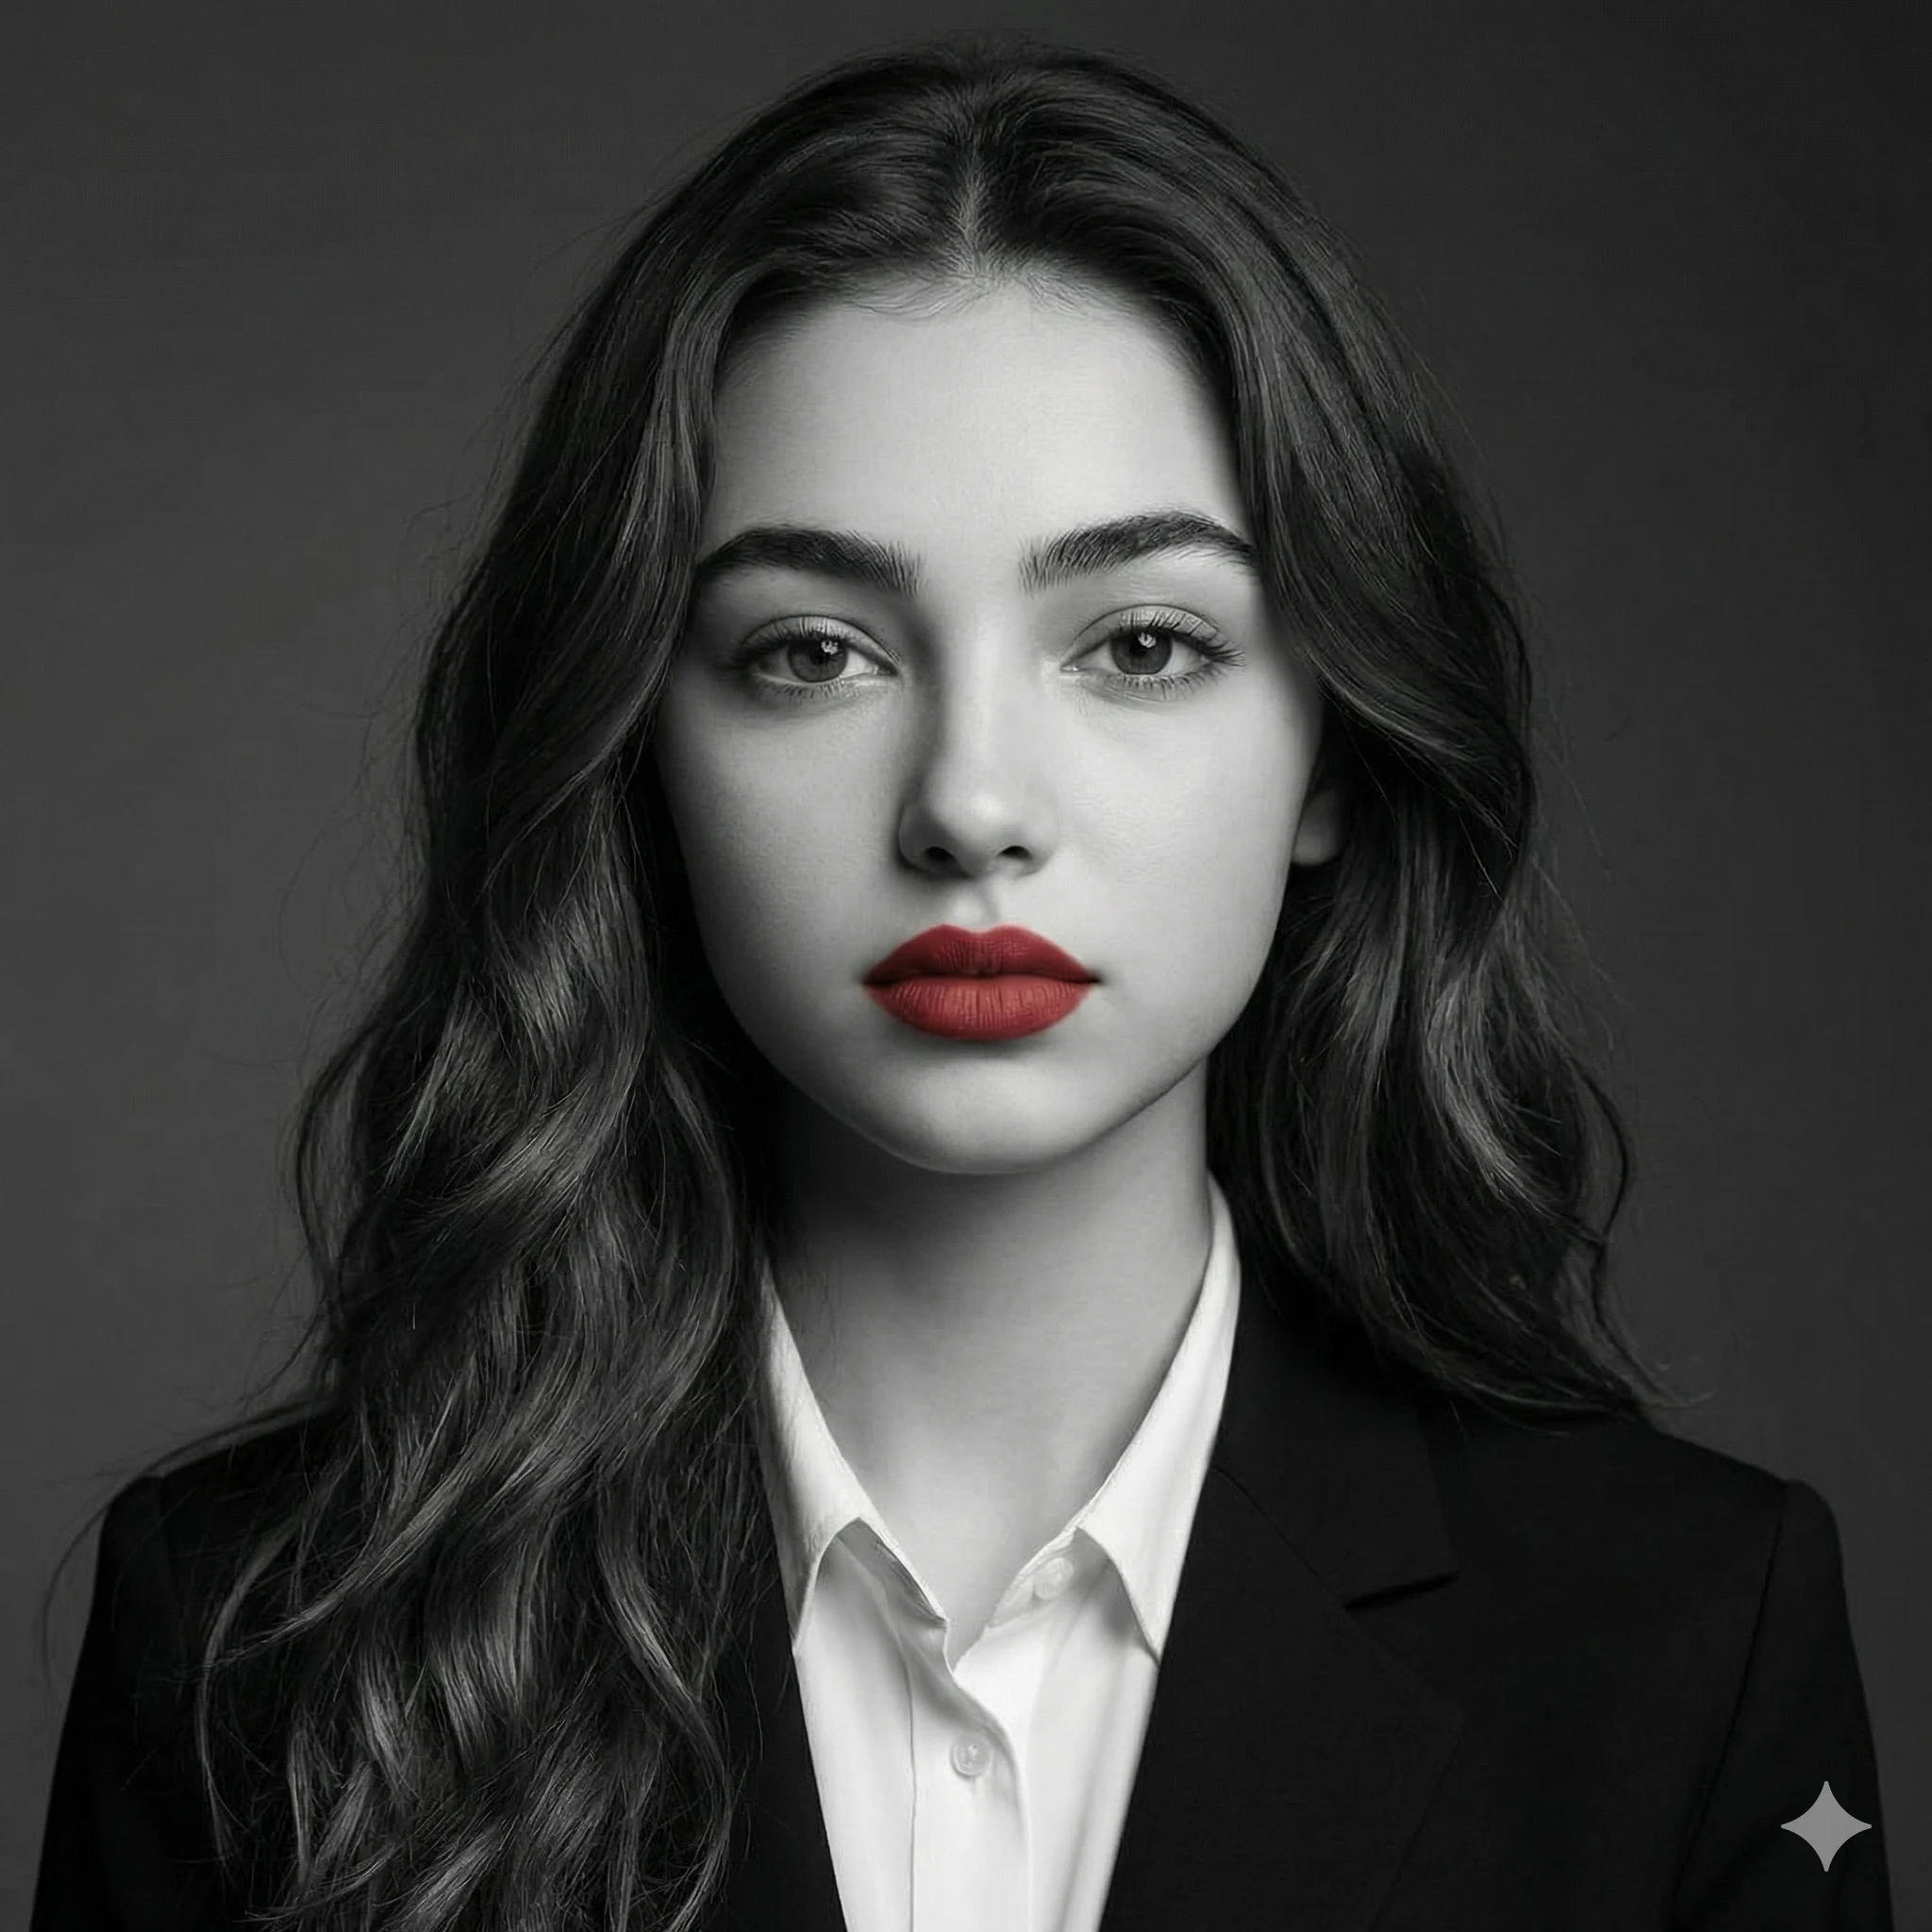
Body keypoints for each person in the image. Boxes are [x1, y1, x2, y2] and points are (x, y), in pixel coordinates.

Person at [31, 34, 1892, 1932]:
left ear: (1332, 745)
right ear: (635, 752)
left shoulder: (1679, 1643)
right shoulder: (253, 1645)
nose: (971, 804)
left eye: (1142, 641)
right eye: (812, 651)